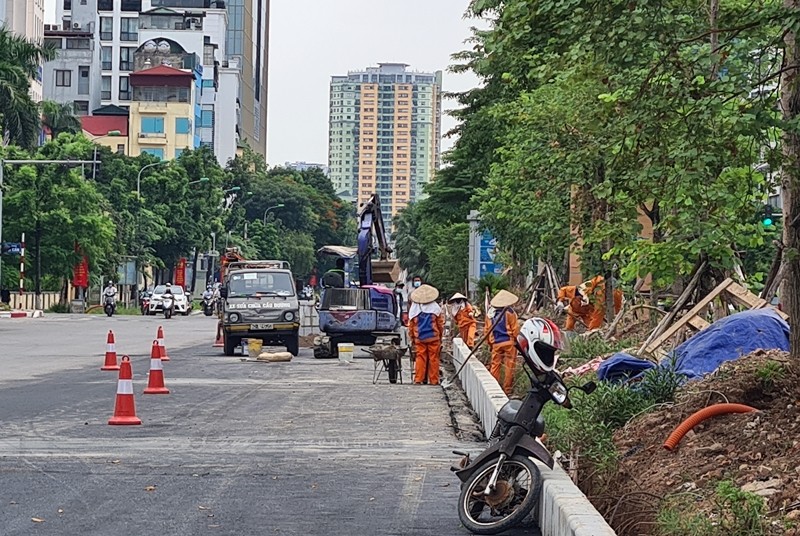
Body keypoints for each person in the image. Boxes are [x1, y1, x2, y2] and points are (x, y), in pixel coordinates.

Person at [408, 284, 444, 385]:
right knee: (434, 359)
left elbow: (410, 326)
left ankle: (418, 379)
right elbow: (440, 325)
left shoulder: (414, 310)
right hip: (434, 338)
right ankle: (434, 380)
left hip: (419, 338)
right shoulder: (435, 309)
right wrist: (440, 337)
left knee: (420, 358)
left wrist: (412, 338)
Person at [488, 290, 520, 395]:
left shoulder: (490, 313)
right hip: (509, 343)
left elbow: (487, 330)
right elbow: (515, 330)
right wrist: (517, 341)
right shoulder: (510, 312)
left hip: (496, 343)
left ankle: (493, 388)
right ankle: (507, 390)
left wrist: (490, 344)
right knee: (509, 366)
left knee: (495, 365)